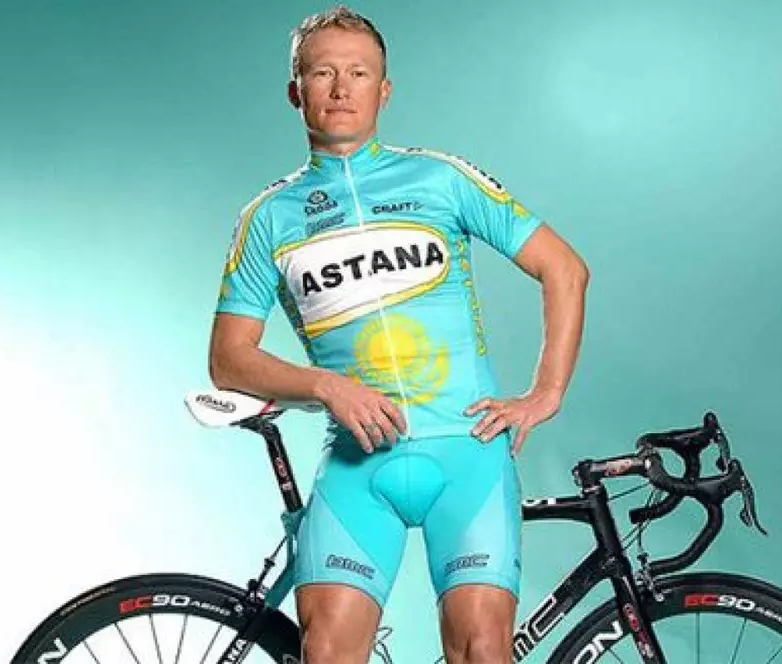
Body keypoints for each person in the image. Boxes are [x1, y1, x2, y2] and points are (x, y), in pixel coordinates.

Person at [208, 6, 589, 664]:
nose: (340, 88)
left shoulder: (441, 179)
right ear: (295, 90)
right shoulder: (268, 217)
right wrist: (327, 387)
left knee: (481, 650)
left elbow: (565, 269)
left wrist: (545, 392)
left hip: (467, 455)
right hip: (358, 466)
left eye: (358, 73)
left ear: (383, 91)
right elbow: (228, 359)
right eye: (322, 73)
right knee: (327, 653)